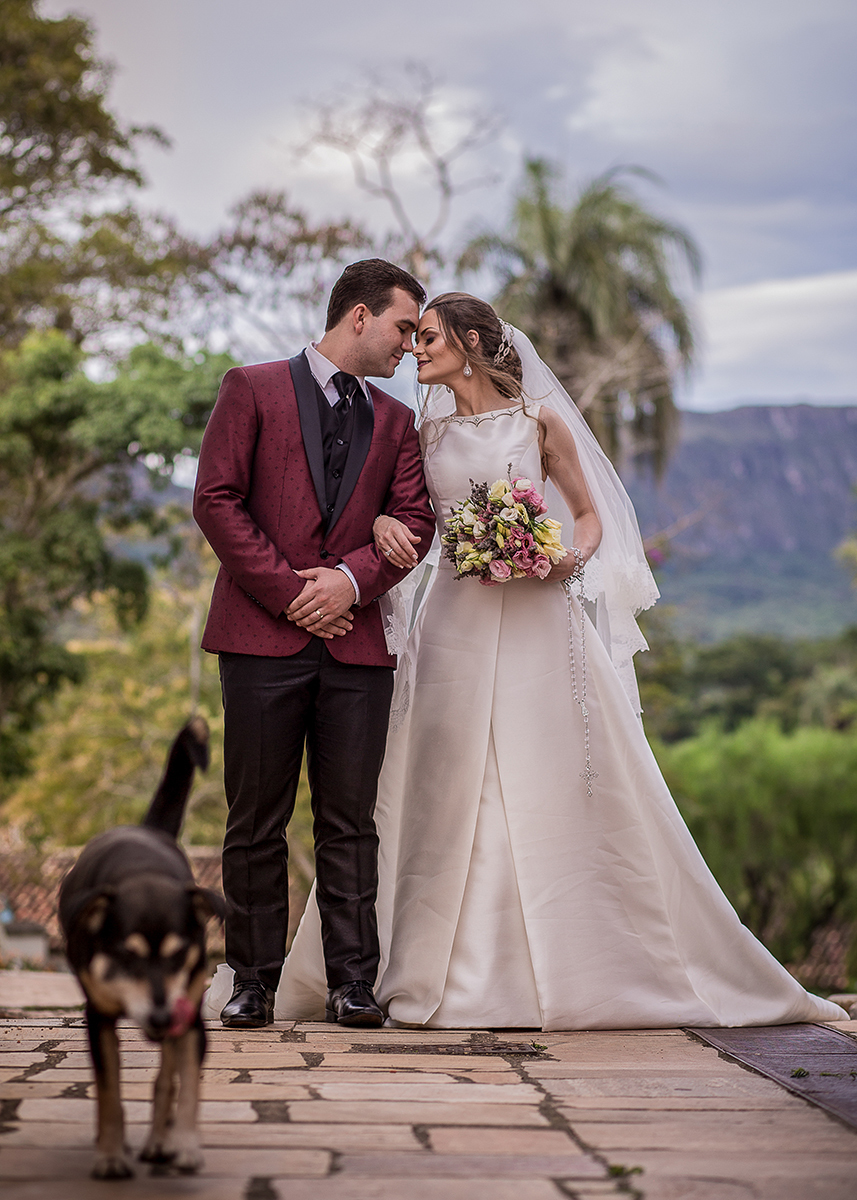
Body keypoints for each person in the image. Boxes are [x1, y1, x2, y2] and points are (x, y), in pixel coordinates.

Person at [206, 291, 846, 1031]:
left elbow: (587, 514)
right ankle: (382, 971)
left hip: (535, 611)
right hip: (450, 619)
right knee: (431, 784)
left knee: (543, 777)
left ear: (473, 342)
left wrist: (559, 560)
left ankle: (567, 963)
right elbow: (402, 511)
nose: (416, 349)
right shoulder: (420, 430)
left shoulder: (537, 421)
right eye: (410, 334)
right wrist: (383, 522)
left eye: (430, 336)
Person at [193, 259, 436, 1029]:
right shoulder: (251, 388)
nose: (409, 345)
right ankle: (251, 981)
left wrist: (349, 582)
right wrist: (296, 592)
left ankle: (351, 983)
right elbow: (216, 500)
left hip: (357, 647)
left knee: (349, 820)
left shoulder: (398, 423)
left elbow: (416, 522)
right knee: (255, 817)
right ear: (358, 316)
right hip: (259, 641)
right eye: (403, 327)